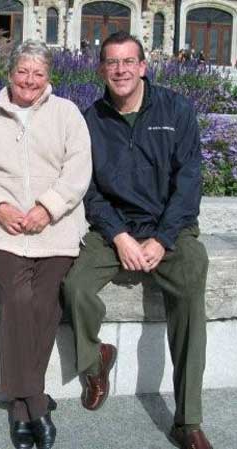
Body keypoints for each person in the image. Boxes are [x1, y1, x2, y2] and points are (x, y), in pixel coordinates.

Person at [62, 31, 212, 449]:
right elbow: (88, 190)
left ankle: (188, 420)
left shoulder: (175, 109)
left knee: (190, 284)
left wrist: (163, 240)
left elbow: (189, 182)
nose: (121, 70)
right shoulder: (91, 120)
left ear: (143, 66)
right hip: (115, 229)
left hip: (170, 229)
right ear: (101, 69)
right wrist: (120, 236)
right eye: (112, 62)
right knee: (74, 287)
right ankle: (95, 361)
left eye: (129, 61)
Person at [0, 40, 92, 449]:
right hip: (4, 229)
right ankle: (35, 403)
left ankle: (21, 409)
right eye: (23, 71)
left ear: (49, 76)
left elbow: (77, 170)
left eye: (38, 73)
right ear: (10, 75)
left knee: (44, 303)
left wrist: (48, 208)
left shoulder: (67, 114)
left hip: (56, 228)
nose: (30, 80)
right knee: (17, 298)